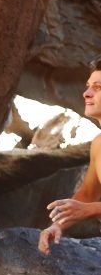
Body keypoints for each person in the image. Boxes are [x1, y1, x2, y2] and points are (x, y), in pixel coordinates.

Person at [39, 58, 101, 254]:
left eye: (97, 88)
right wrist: (58, 224)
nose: (86, 93)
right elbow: (88, 194)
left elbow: (87, 206)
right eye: (88, 86)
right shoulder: (99, 143)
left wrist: (89, 210)